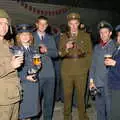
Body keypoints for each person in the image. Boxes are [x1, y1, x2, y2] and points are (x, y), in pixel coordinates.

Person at [59, 12, 92, 120]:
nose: (73, 26)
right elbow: (60, 53)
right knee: (67, 96)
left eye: (75, 23)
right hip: (67, 71)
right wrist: (66, 48)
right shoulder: (64, 36)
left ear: (79, 24)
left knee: (81, 96)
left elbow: (89, 54)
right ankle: (67, 116)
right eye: (71, 24)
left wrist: (87, 69)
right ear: (68, 24)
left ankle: (82, 116)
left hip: (81, 71)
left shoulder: (86, 36)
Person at [11, 24, 42, 120]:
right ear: (18, 37)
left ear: (30, 36)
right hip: (23, 85)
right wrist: (25, 77)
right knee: (23, 113)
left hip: (33, 84)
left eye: (27, 34)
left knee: (30, 113)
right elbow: (13, 70)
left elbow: (37, 66)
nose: (25, 36)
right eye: (22, 34)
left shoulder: (34, 49)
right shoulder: (14, 50)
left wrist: (38, 65)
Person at [89, 21, 116, 120]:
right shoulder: (97, 47)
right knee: (100, 110)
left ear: (110, 33)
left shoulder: (115, 47)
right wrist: (91, 81)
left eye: (105, 32)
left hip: (110, 85)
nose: (103, 35)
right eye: (101, 33)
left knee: (110, 111)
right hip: (97, 84)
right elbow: (93, 65)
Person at [33, 16, 58, 120]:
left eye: (45, 24)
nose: (43, 26)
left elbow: (56, 54)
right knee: (35, 101)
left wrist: (47, 51)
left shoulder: (50, 37)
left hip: (50, 74)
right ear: (36, 24)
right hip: (37, 74)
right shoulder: (31, 37)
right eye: (41, 23)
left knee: (49, 100)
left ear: (47, 26)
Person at [0, 9, 23, 120]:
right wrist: (11, 65)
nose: (4, 27)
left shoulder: (7, 44)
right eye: (0, 23)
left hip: (14, 94)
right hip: (2, 100)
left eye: (6, 24)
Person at [104, 25, 120, 120]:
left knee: (115, 114)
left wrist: (115, 64)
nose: (119, 38)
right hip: (113, 85)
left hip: (118, 87)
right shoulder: (117, 50)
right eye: (118, 35)